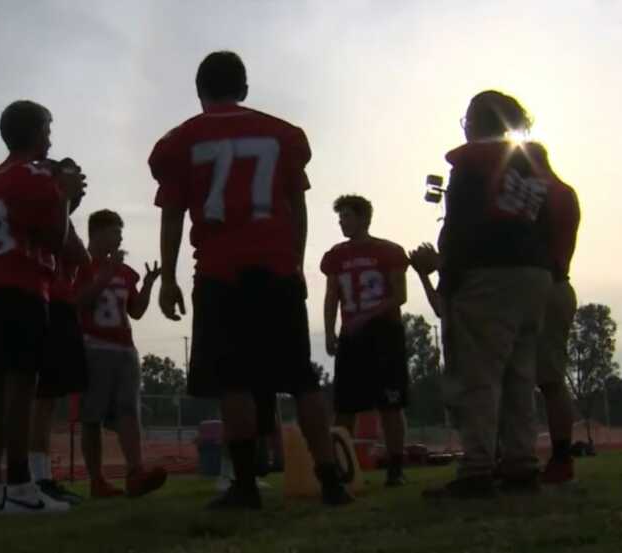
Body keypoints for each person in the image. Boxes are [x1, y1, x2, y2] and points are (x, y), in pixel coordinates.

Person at [149, 50, 352, 509]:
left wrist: (167, 276)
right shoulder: (282, 135)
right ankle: (330, 481)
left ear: (200, 92)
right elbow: (297, 207)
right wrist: (297, 264)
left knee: (234, 382)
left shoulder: (181, 141)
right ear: (243, 89)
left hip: (219, 271)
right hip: (277, 268)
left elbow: (172, 214)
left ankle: (244, 485)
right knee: (301, 380)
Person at [423, 90, 555, 500]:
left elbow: (461, 230)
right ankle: (520, 464)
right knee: (520, 375)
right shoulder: (533, 163)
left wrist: (449, 279)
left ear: (472, 122)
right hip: (533, 274)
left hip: (487, 275)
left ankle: (477, 467)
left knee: (478, 376)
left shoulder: (470, 164)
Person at [0, 100, 86, 514]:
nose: (51, 139)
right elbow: (57, 239)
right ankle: (19, 483)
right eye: (48, 130)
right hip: (22, 284)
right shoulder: (36, 175)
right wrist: (66, 197)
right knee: (21, 385)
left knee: (3, 386)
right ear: (37, 131)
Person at [75, 209, 167, 499]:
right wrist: (104, 275)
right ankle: (97, 480)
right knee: (92, 417)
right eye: (115, 231)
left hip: (125, 349)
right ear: (98, 233)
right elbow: (79, 303)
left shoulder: (126, 273)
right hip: (93, 348)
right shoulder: (81, 265)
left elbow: (136, 311)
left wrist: (150, 283)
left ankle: (135, 473)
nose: (120, 238)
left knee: (129, 411)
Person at [321, 195, 410, 487]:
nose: (342, 222)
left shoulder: (390, 251)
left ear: (364, 219)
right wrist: (330, 331)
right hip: (352, 337)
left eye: (347, 216)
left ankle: (396, 468)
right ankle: (339, 469)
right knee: (345, 407)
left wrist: (368, 315)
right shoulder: (335, 256)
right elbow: (332, 295)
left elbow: (400, 295)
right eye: (341, 217)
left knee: (390, 405)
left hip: (384, 333)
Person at [28, 158, 90, 505]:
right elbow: (75, 252)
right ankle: (36, 477)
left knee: (49, 399)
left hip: (61, 305)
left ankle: (41, 475)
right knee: (42, 398)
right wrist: (62, 197)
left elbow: (80, 257)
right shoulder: (50, 219)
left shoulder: (61, 219)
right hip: (50, 303)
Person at [535, 155, 581, 485]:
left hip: (544, 286)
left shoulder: (541, 194)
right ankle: (561, 455)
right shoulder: (565, 193)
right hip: (557, 285)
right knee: (550, 378)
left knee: (547, 379)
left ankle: (561, 457)